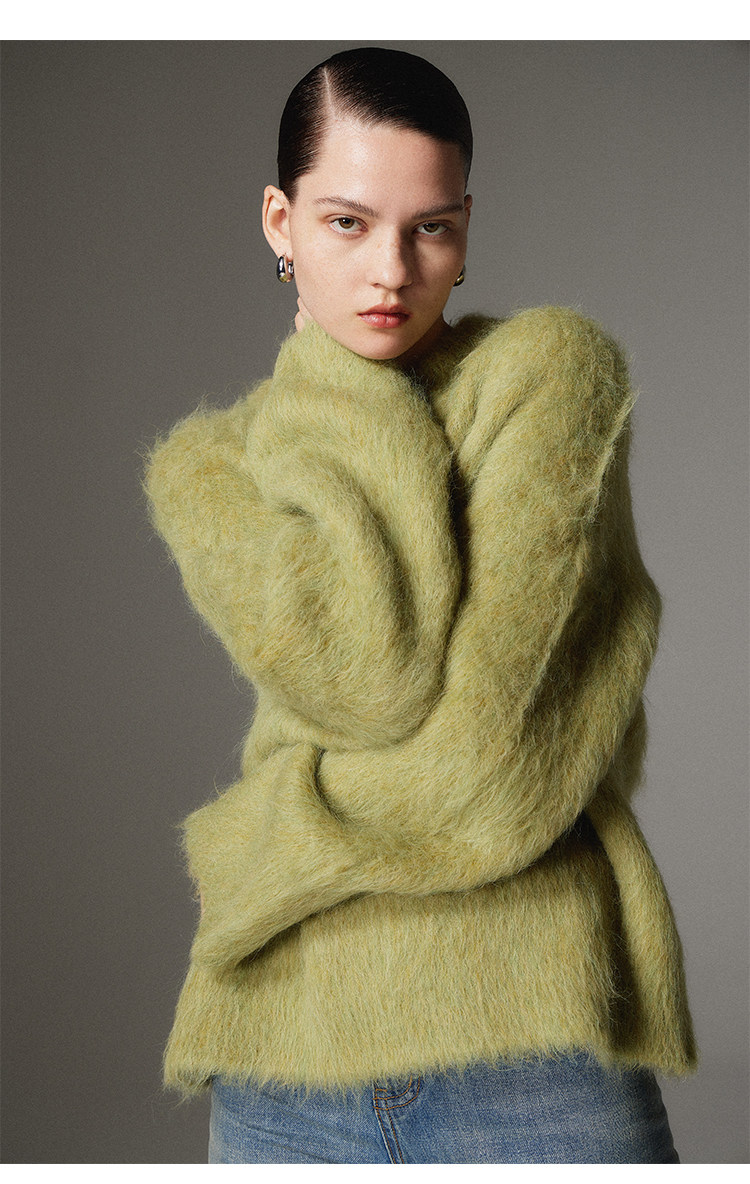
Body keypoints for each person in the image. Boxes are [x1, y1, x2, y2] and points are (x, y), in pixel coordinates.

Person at [145, 46, 697, 1164]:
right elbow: (370, 672)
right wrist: (337, 384)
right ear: (280, 222)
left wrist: (253, 851)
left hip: (526, 1049)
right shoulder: (207, 468)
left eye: (430, 228)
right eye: (347, 223)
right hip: (277, 1054)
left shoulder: (547, 374)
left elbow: (491, 774)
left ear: (466, 227)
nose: (391, 270)